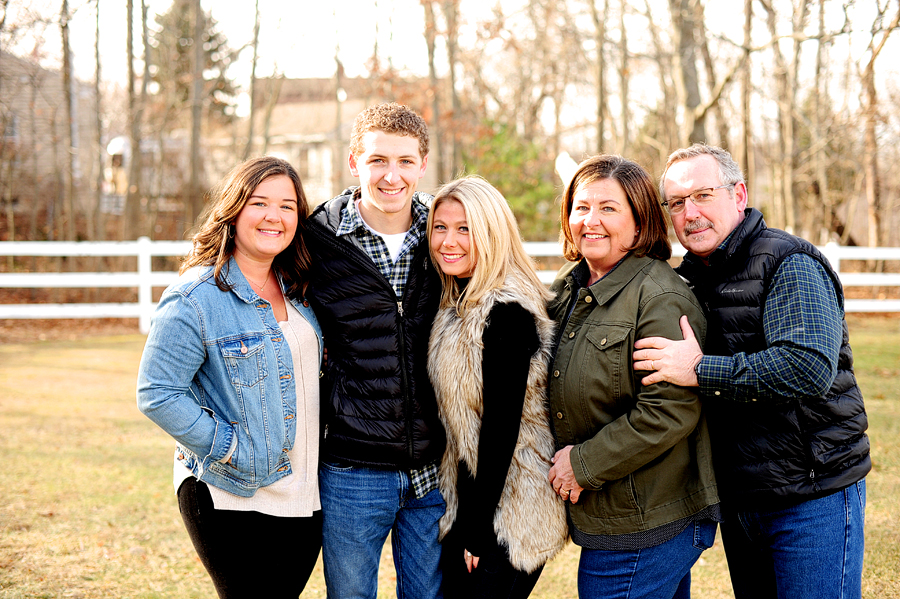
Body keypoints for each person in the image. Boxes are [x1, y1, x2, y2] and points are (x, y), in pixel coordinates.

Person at [633, 143, 870, 599]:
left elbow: (807, 368)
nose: (690, 213)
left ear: (738, 195)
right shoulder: (689, 281)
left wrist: (700, 370)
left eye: (703, 195)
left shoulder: (787, 262)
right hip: (742, 499)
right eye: (677, 203)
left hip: (811, 494)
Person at [136, 156, 323, 598]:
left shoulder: (302, 290)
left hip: (304, 494)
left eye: (287, 206)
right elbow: (157, 392)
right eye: (259, 202)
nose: (273, 216)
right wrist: (231, 447)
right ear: (234, 209)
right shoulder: (195, 296)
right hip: (229, 489)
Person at [546, 154, 720, 599]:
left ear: (640, 223)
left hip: (646, 520)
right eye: (581, 207)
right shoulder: (569, 287)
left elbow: (669, 410)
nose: (590, 220)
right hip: (615, 512)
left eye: (608, 208)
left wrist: (582, 464)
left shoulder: (658, 297)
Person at [304, 102, 445, 599]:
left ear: (423, 165)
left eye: (406, 161)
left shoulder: (446, 235)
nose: (392, 175)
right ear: (353, 163)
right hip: (352, 468)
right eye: (378, 160)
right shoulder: (315, 241)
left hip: (433, 467)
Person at [426, 177, 568, 599]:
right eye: (440, 227)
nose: (449, 241)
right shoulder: (458, 300)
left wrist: (477, 529)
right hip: (474, 496)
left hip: (513, 509)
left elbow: (500, 430)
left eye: (465, 229)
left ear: (491, 233)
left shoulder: (506, 310)